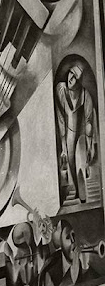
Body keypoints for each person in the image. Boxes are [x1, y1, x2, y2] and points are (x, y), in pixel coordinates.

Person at [55, 63, 95, 203]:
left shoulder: (84, 94)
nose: (71, 78)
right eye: (71, 73)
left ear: (79, 81)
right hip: (67, 133)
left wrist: (89, 143)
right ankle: (77, 192)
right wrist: (63, 145)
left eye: (75, 77)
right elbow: (60, 119)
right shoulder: (61, 89)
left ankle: (82, 192)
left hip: (80, 133)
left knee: (81, 162)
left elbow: (89, 121)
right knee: (70, 161)